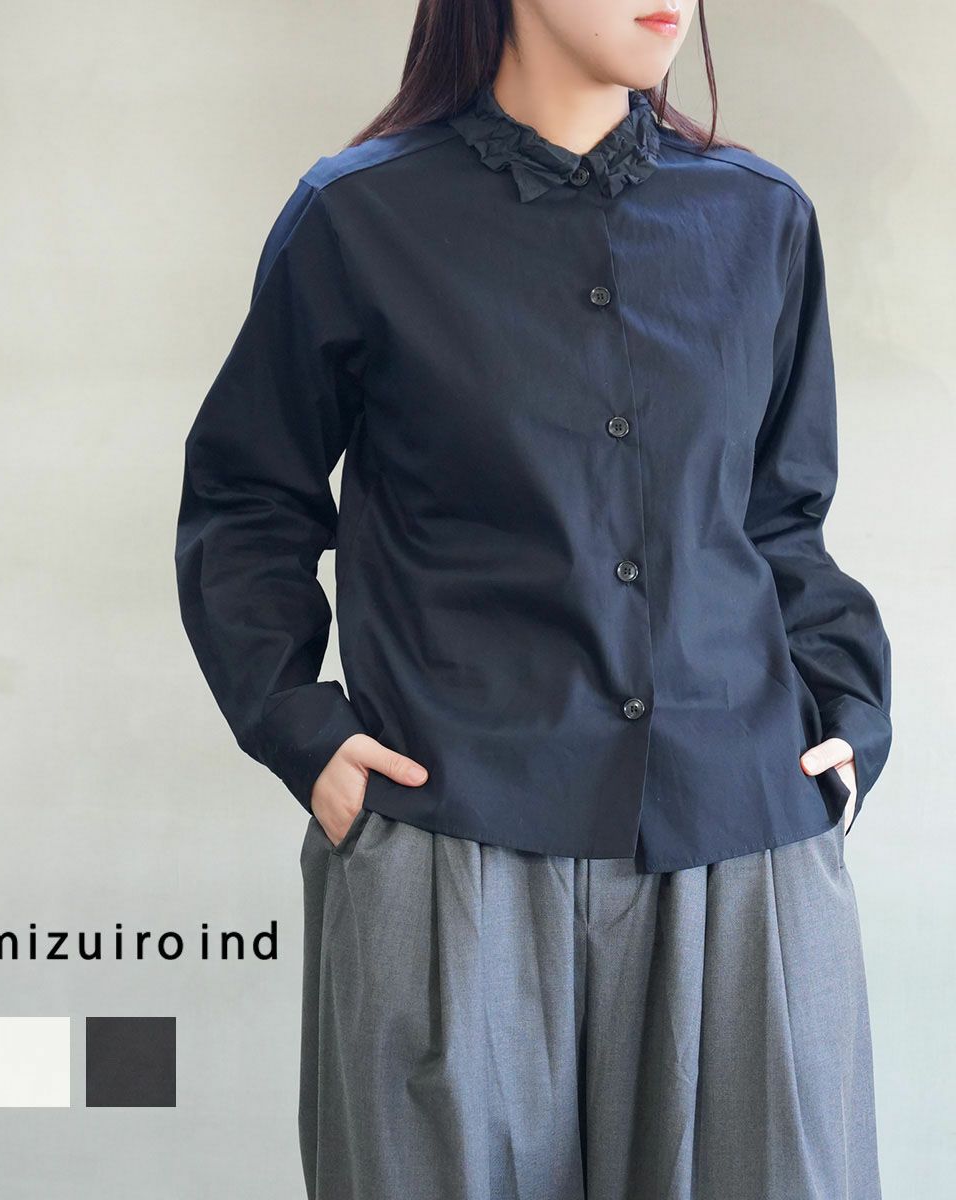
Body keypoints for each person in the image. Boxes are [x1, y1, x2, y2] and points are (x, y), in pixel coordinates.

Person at [174, 1, 892, 1196]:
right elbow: (246, 498)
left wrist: (845, 715)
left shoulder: (760, 219)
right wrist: (304, 732)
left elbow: (779, 518)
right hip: (454, 839)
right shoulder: (359, 217)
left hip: (740, 837)